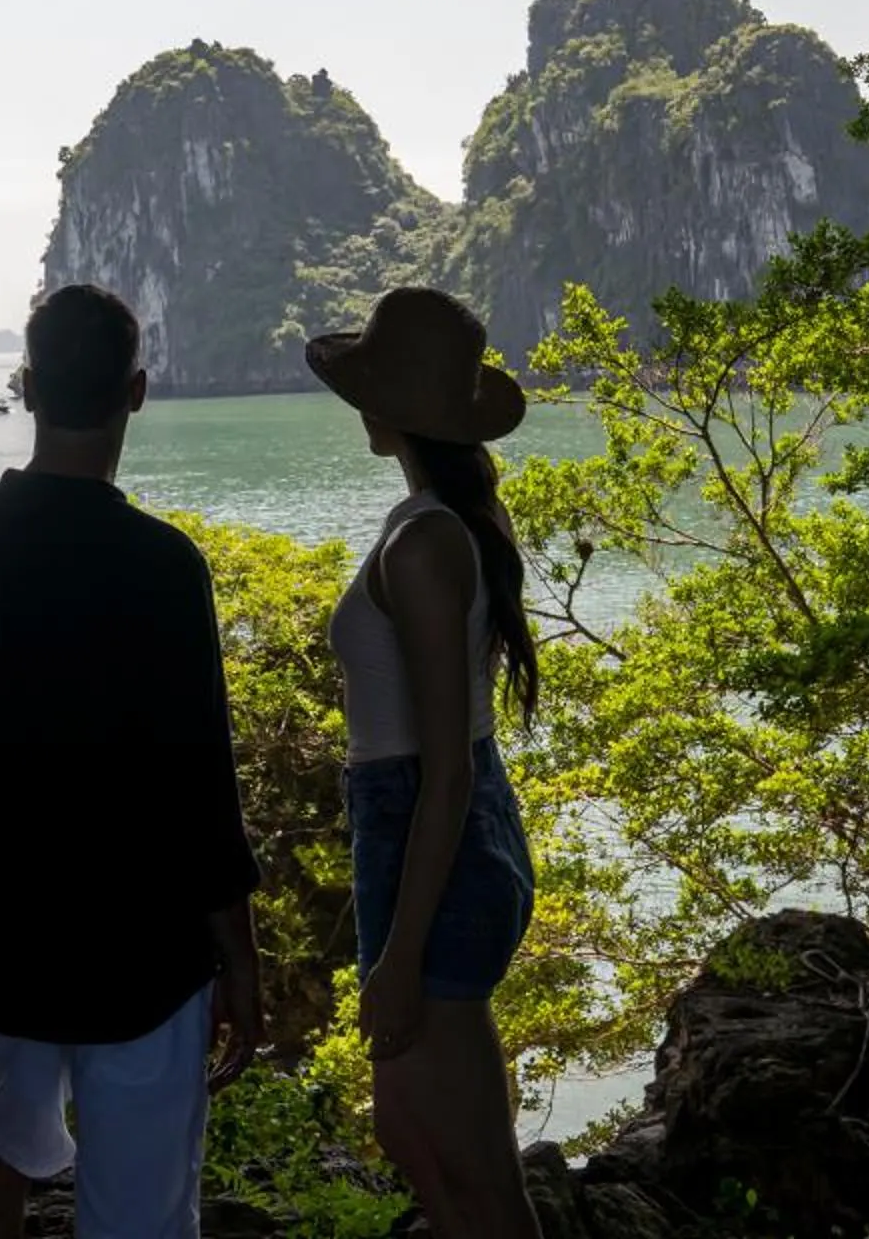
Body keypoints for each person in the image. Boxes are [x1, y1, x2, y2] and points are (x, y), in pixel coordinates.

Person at [0, 283, 264, 1239]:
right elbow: (201, 788)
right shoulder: (164, 567)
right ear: (136, 392)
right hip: (144, 953)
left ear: (24, 386)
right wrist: (240, 958)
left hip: (5, 941)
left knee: (11, 1144)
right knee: (140, 1214)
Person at [304, 286, 544, 1239]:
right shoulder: (432, 522)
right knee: (410, 1128)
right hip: (418, 833)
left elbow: (444, 767)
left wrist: (399, 958)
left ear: (390, 410)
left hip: (429, 842)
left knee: (482, 1176)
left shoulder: (428, 541)